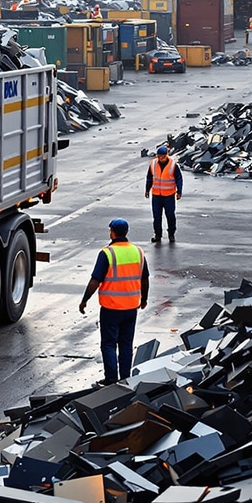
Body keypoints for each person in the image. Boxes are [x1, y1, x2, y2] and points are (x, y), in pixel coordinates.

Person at [79, 218, 149, 384]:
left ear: (112, 232)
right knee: (126, 344)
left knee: (109, 344)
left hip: (111, 308)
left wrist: (84, 300)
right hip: (131, 307)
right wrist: (144, 299)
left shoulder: (107, 253)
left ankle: (111, 380)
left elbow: (95, 280)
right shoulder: (138, 252)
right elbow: (145, 279)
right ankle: (125, 379)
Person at [146, 145, 182, 244]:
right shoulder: (153, 164)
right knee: (157, 216)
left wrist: (179, 192)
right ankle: (157, 235)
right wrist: (147, 189)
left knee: (170, 215)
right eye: (159, 156)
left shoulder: (173, 165)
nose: (160, 159)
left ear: (167, 155)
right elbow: (149, 177)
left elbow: (178, 179)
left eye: (162, 156)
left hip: (169, 196)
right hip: (156, 196)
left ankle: (171, 234)